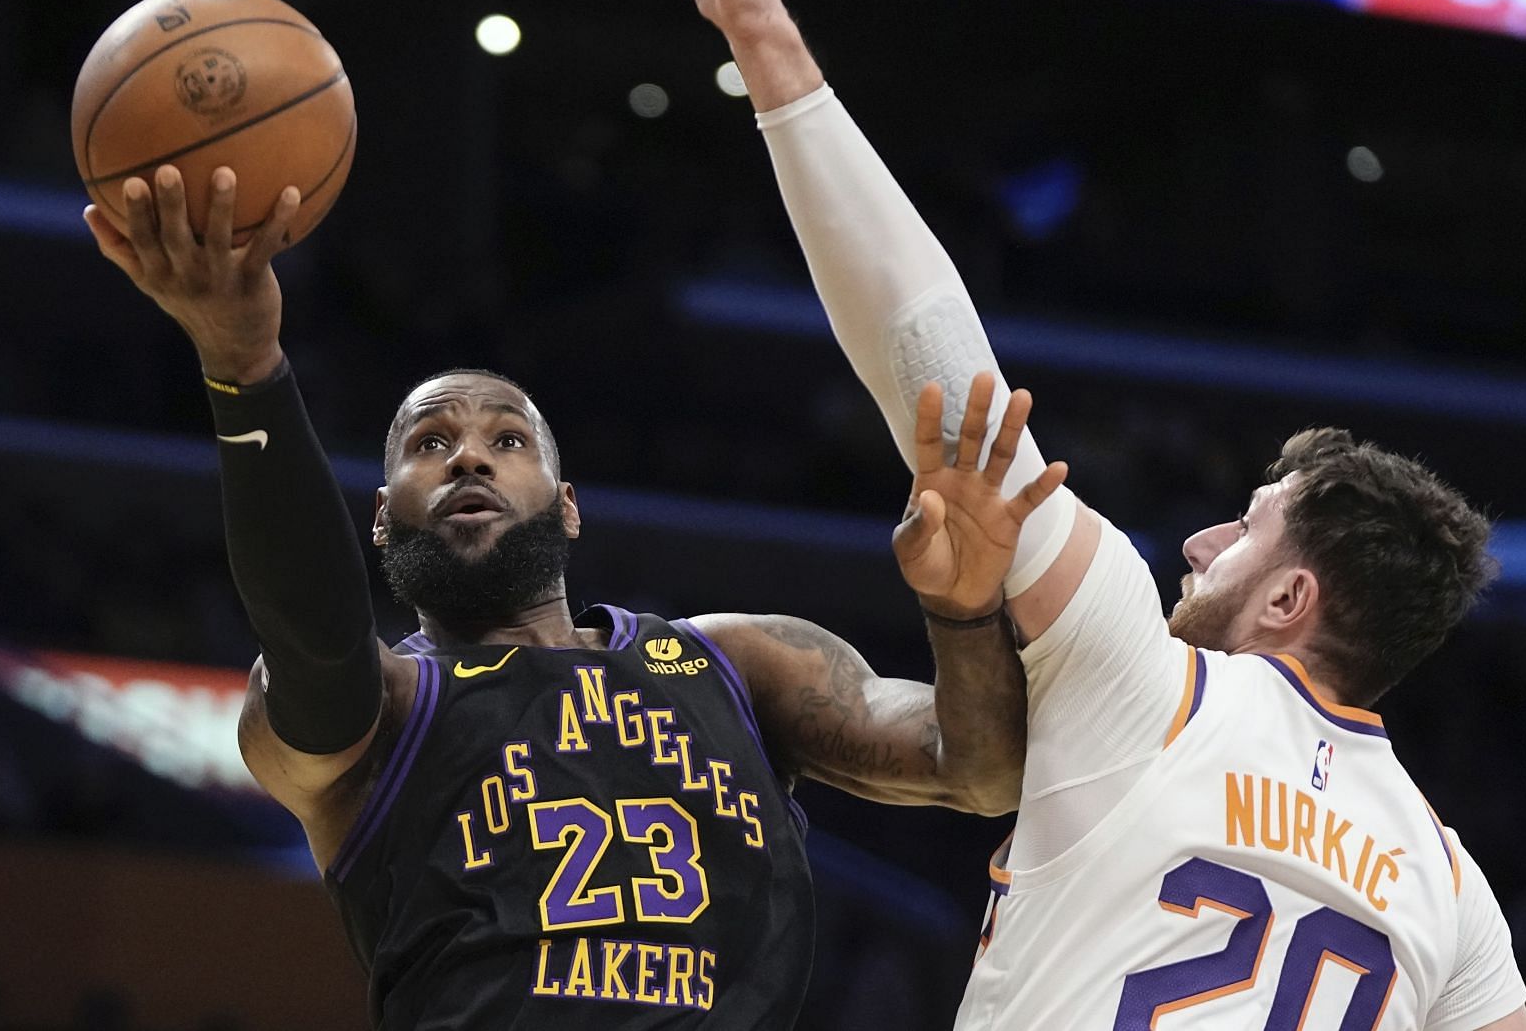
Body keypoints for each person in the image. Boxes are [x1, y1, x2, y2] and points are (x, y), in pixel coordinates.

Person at [659, 0, 1526, 1031]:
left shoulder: (1153, 682)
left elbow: (937, 366)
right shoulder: (1454, 887)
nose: (1198, 541)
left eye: (1245, 530)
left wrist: (768, 46)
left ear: (1292, 599)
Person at [80, 164, 1064, 1025]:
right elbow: (314, 633)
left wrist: (964, 609)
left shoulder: (740, 662)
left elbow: (974, 770)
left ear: (569, 506)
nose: (468, 452)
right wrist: (247, 371)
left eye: (507, 440)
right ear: (382, 518)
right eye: (430, 446)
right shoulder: (385, 710)